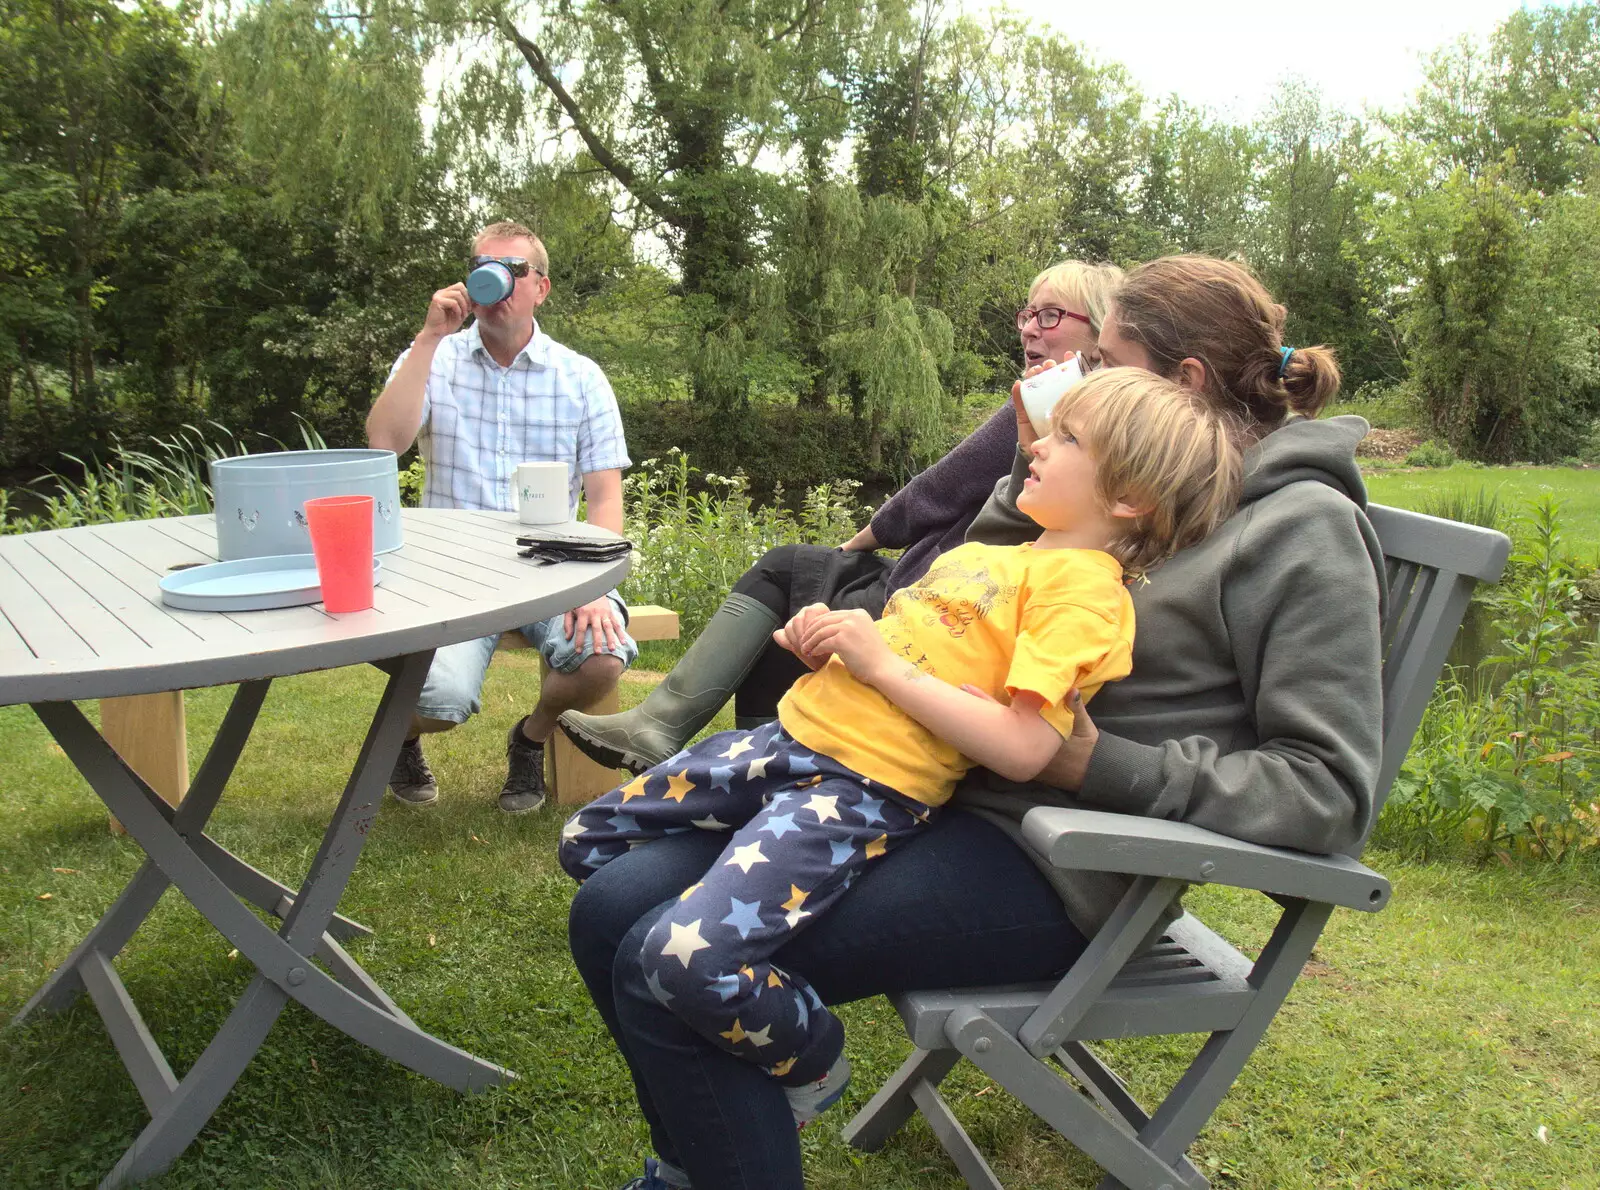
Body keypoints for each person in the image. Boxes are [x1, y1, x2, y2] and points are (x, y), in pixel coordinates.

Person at [565, 254, 1387, 1190]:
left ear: (1183, 382)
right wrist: (1035, 464)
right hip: (917, 787)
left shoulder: (1301, 529)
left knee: (663, 954)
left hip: (1059, 859)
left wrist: (1094, 767)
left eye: (1102, 363)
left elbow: (1326, 792)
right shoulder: (1087, 493)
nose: (1074, 380)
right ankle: (697, 1165)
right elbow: (956, 599)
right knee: (611, 905)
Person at [559, 367, 1243, 1145]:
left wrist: (882, 667)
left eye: (1067, 438)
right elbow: (919, 649)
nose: (1038, 447)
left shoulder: (1085, 598)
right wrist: (835, 642)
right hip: (785, 744)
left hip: (860, 789)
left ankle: (807, 1056)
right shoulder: (996, 555)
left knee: (687, 957)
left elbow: (1023, 747)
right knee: (587, 841)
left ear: (1128, 501)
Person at [556, 260, 1125, 774]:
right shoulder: (1082, 411)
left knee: (800, 595)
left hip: (950, 608)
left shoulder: (1059, 407)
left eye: (1049, 315)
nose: (1028, 328)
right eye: (1028, 313)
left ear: (1099, 329)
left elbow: (938, 489)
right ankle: (716, 745)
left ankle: (724, 750)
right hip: (956, 592)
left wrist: (854, 546)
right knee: (795, 575)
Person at [366, 219, 637, 813]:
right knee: (439, 699)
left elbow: (605, 499)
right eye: (484, 268)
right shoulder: (432, 357)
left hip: (554, 567)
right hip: (451, 573)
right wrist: (429, 337)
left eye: (513, 271)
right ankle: (404, 737)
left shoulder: (581, 378)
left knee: (602, 659)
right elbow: (384, 442)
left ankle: (530, 737)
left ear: (541, 288)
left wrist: (594, 581)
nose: (497, 283)